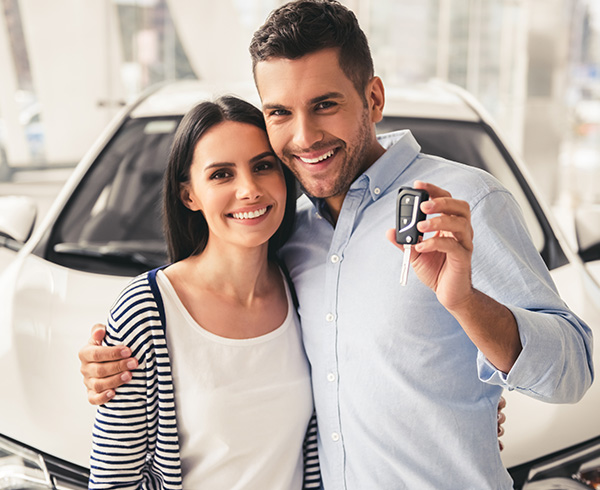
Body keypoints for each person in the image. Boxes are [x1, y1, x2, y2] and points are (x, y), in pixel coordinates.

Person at [80, 1, 593, 488]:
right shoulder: (289, 237)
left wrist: (466, 306)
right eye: (280, 112)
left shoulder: (464, 203)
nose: (304, 137)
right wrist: (112, 369)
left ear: (373, 98)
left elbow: (570, 375)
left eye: (324, 105)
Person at [87, 96, 320, 489]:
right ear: (188, 195)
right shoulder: (147, 312)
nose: (249, 190)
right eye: (221, 175)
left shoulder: (305, 286)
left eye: (263, 167)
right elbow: (113, 482)